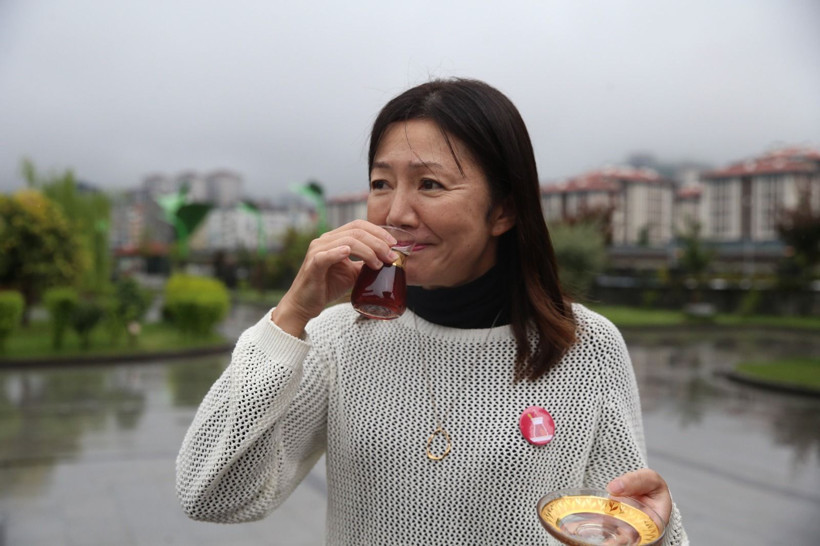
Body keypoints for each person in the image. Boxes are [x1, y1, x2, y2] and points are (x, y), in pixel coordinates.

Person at [176, 78, 688, 545]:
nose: (396, 213)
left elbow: (619, 523)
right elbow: (210, 493)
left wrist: (658, 532)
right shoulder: (336, 338)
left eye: (429, 185)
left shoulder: (585, 347)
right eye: (381, 184)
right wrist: (290, 318)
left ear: (504, 210)